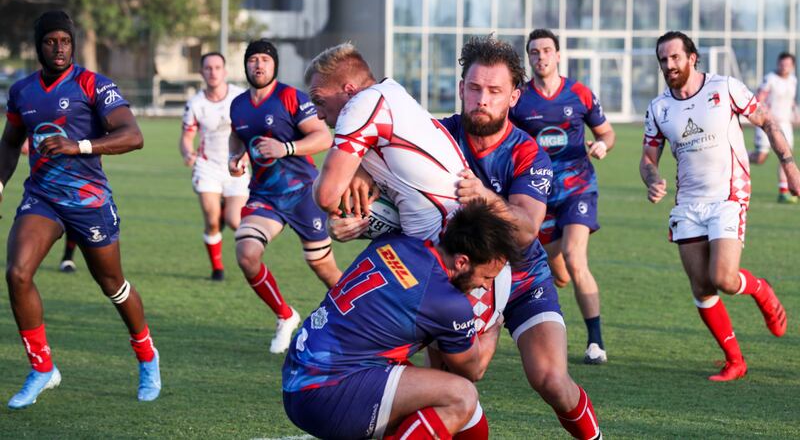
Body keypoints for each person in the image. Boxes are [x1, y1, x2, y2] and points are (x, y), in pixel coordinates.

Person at [322, 37, 603, 439]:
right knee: (448, 384)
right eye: (474, 88)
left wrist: (485, 196)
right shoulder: (436, 136)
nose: (481, 100)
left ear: (513, 97)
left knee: (551, 380)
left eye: (494, 91)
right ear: (460, 89)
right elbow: (394, 198)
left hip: (521, 278)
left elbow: (525, 227)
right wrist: (356, 216)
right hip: (456, 276)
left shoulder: (527, 152)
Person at [1, 10, 160, 409]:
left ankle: (146, 356)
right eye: (52, 41)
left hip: (89, 202)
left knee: (113, 286)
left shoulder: (93, 84)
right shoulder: (22, 92)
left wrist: (80, 145)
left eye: (66, 41)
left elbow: (132, 135)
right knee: (17, 274)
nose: (60, 48)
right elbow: (9, 142)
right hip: (42, 197)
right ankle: (42, 368)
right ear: (39, 45)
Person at [282, 199, 520, 440]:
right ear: (461, 262)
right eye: (487, 277)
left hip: (303, 374)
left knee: (472, 421)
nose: (485, 286)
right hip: (327, 392)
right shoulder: (446, 302)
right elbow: (473, 370)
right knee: (462, 396)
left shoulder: (397, 240)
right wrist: (493, 325)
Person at [640, 31, 799, 381]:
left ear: (692, 57)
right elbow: (648, 159)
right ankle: (735, 360)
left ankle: (761, 289)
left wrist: (789, 164)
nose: (669, 65)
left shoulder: (725, 88)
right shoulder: (659, 108)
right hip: (688, 205)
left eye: (675, 57)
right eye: (663, 60)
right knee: (701, 287)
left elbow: (768, 121)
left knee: (724, 278)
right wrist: (652, 180)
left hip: (728, 197)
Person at [510, 29, 615, 365]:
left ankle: (595, 343)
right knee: (561, 273)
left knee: (574, 256)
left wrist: (602, 144)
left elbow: (607, 132)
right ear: (529, 59)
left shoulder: (579, 94)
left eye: (546, 50)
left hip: (578, 186)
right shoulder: (520, 100)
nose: (541, 57)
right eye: (534, 52)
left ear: (558, 55)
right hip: (537, 193)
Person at [228, 39, 341, 354]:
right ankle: (285, 315)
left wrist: (286, 148)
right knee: (247, 253)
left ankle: (362, 322)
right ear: (246, 65)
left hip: (304, 193)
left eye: (265, 59)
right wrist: (234, 158)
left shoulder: (291, 97)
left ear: (274, 65)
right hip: (265, 196)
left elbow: (322, 137)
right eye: (253, 59)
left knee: (323, 268)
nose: (259, 65)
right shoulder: (238, 105)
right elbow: (237, 136)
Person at [307, 42, 467, 241]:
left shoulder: (362, 104)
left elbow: (326, 196)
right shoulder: (391, 92)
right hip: (451, 233)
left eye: (320, 102)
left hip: (448, 246)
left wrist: (337, 196)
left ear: (349, 91)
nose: (319, 115)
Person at [180, 51, 249, 281]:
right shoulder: (195, 103)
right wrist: (187, 152)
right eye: (208, 68)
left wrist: (246, 155)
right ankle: (217, 268)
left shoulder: (240, 97)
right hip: (207, 166)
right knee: (211, 220)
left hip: (235, 166)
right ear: (201, 73)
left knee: (234, 221)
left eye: (217, 67)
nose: (213, 72)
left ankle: (223, 213)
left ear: (225, 71)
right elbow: (187, 137)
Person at [20, 139, 78, 272]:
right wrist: (26, 141)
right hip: (45, 179)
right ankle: (27, 259)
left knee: (73, 219)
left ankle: (68, 258)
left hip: (77, 177)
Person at [749, 52, 798, 203]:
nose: (784, 67)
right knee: (760, 158)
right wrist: (767, 114)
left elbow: (790, 100)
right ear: (778, 63)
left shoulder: (793, 80)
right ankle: (738, 156)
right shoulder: (770, 79)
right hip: (767, 123)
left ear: (792, 66)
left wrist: (795, 110)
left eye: (787, 65)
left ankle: (783, 192)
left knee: (786, 156)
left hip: (785, 123)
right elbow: (759, 98)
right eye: (782, 64)